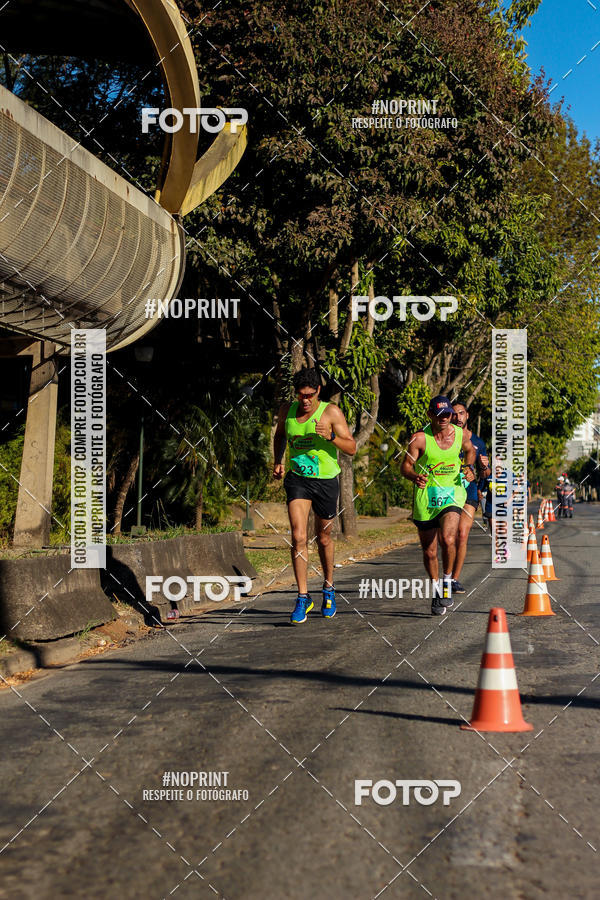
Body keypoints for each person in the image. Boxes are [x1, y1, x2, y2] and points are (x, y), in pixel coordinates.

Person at [273, 368, 356, 624]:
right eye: (300, 395)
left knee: (323, 536)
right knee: (298, 537)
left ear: (318, 391)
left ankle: (329, 588)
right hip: (298, 480)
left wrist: (330, 437)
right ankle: (302, 596)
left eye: (309, 395)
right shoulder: (287, 409)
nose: (305, 400)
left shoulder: (330, 412)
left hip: (326, 481)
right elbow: (279, 436)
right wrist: (278, 460)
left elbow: (351, 447)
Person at [400, 395, 476, 616]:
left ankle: (446, 581)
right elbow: (405, 466)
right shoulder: (420, 439)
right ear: (430, 415)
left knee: (448, 538)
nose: (444, 419)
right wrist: (414, 476)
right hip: (426, 498)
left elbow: (470, 451)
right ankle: (436, 589)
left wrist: (468, 467)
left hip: (452, 494)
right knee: (430, 551)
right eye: (439, 415)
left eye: (448, 414)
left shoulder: (461, 434)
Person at [451, 402, 491, 593]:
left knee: (462, 534)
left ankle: (454, 579)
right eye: (454, 414)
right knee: (447, 537)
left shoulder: (478, 442)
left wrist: (484, 466)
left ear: (467, 415)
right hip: (448, 490)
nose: (458, 417)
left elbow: (485, 474)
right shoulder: (445, 438)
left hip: (469, 490)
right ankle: (445, 575)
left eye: (461, 413)